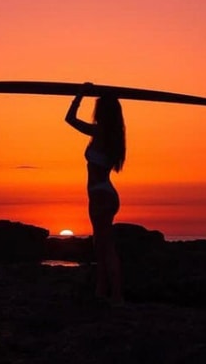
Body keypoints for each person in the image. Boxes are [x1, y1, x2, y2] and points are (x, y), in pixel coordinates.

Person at [65, 83, 125, 305]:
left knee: (106, 247)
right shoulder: (115, 136)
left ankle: (117, 296)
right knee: (100, 245)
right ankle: (101, 291)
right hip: (105, 195)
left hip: (101, 196)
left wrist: (79, 95)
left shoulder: (100, 132)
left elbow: (69, 119)